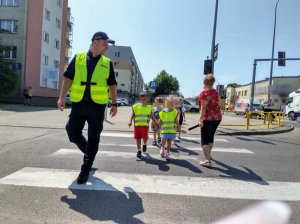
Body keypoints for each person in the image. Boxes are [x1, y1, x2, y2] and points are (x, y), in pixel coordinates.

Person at [57, 31, 118, 184]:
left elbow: (112, 84)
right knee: (72, 131)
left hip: (97, 107)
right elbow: (68, 78)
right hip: (79, 103)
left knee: (93, 138)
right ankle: (88, 153)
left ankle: (85, 169)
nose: (107, 47)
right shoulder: (78, 58)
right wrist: (62, 97)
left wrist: (115, 103)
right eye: (105, 44)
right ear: (95, 42)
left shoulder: (107, 63)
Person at [198, 74, 222, 167]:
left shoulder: (204, 93)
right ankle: (209, 155)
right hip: (217, 118)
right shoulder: (216, 92)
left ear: (204, 82)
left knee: (204, 140)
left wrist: (201, 120)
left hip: (207, 118)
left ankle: (207, 160)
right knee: (210, 137)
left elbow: (203, 107)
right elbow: (220, 104)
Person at [128, 91, 158, 158]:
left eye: (145, 96)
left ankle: (144, 144)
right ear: (140, 97)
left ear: (147, 98)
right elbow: (133, 114)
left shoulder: (149, 107)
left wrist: (156, 123)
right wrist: (130, 121)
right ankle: (138, 150)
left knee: (145, 137)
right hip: (137, 126)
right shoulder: (135, 106)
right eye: (142, 96)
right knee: (138, 138)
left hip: (145, 126)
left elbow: (152, 116)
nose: (143, 97)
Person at [158, 97, 179, 161]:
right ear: (165, 103)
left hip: (172, 130)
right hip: (164, 130)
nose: (170, 103)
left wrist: (178, 127)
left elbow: (176, 120)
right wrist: (157, 125)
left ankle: (167, 153)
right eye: (169, 102)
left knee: (169, 142)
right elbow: (160, 121)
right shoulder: (162, 112)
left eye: (172, 102)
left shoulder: (175, 112)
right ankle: (162, 149)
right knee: (163, 141)